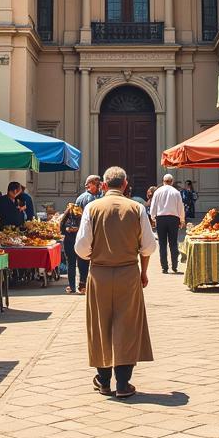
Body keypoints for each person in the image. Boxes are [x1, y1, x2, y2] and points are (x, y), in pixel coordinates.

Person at [74, 166, 157, 398]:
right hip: (129, 273)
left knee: (100, 326)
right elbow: (149, 246)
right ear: (125, 185)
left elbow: (81, 248)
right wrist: (144, 272)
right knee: (127, 326)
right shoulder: (137, 208)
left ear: (103, 186)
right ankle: (123, 382)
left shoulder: (92, 207)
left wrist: (98, 254)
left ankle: (103, 380)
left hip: (99, 273)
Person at [148, 173, 186, 274]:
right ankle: (174, 266)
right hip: (173, 219)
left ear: (163, 181)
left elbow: (153, 206)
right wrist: (182, 219)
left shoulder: (157, 191)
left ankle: (164, 267)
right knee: (173, 242)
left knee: (162, 243)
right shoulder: (176, 192)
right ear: (172, 181)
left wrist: (153, 218)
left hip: (160, 218)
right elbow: (180, 207)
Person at [74, 175, 103, 294]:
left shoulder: (80, 197)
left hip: (80, 232)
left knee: (82, 259)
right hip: (91, 233)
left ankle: (82, 283)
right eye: (97, 184)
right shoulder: (91, 199)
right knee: (92, 260)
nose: (99, 187)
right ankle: (90, 285)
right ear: (90, 184)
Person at [61, 201, 82, 293]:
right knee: (82, 264)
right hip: (80, 243)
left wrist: (67, 230)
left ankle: (72, 286)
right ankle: (82, 286)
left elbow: (61, 228)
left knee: (71, 264)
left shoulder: (66, 217)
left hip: (69, 243)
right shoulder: (81, 217)